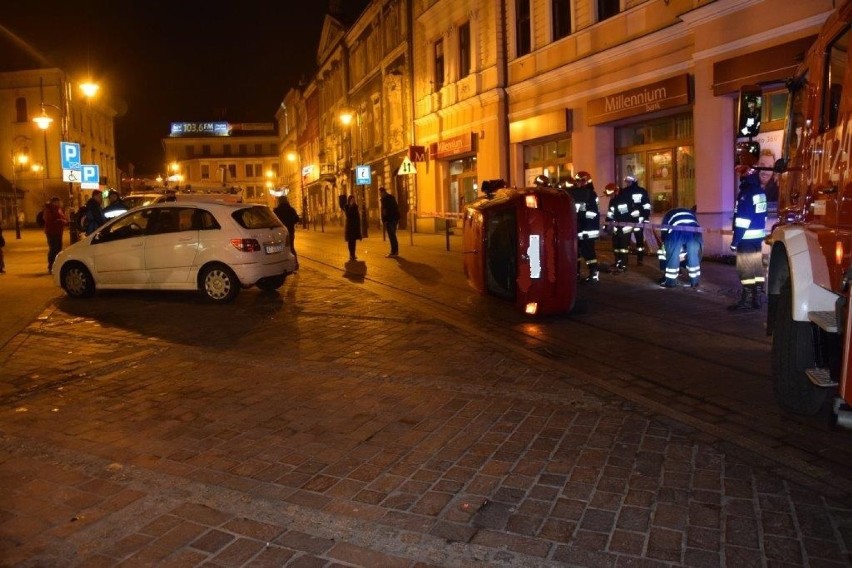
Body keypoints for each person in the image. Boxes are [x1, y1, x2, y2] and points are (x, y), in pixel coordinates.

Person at [729, 165, 768, 310]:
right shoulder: (760, 192)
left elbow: (742, 221)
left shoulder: (745, 194)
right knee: (756, 268)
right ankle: (756, 298)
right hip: (757, 239)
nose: (740, 178)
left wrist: (735, 241)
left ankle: (746, 300)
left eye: (741, 175)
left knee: (745, 269)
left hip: (745, 238)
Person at [658, 207, 702, 288]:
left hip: (676, 232)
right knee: (693, 256)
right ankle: (695, 282)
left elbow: (664, 229)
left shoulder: (668, 214)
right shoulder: (690, 213)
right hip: (694, 233)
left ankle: (670, 282)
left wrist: (664, 242)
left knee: (673, 256)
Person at [568, 171, 600, 282]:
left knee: (588, 252)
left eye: (581, 180)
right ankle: (575, 273)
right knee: (576, 252)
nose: (579, 183)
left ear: (587, 181)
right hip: (578, 227)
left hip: (588, 229)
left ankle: (594, 274)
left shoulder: (591, 194)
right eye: (577, 181)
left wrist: (581, 218)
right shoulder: (575, 194)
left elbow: (592, 213)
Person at [621, 175, 651, 265]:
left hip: (639, 220)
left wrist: (645, 217)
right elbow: (622, 205)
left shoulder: (642, 191)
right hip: (628, 220)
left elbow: (646, 205)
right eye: (626, 182)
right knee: (626, 240)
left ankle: (640, 259)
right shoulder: (624, 191)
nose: (627, 183)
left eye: (629, 181)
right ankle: (624, 260)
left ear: (634, 181)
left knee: (639, 240)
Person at [605, 182, 633, 273]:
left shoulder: (624, 199)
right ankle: (617, 262)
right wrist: (607, 224)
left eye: (611, 194)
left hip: (624, 228)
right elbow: (610, 214)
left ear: (616, 192)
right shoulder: (613, 200)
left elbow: (624, 216)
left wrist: (619, 227)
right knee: (616, 247)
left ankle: (623, 265)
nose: (610, 196)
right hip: (617, 228)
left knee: (623, 248)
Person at [273, 195, 301, 269]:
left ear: (279, 201)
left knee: (280, 248)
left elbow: (273, 220)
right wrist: (290, 222)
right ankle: (295, 263)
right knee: (291, 247)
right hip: (290, 231)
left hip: (279, 232)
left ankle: (282, 264)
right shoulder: (291, 209)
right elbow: (297, 219)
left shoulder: (276, 210)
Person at [43, 196, 68, 274]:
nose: (60, 203)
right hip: (52, 232)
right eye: (58, 202)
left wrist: (64, 220)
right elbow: (49, 220)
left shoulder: (57, 209)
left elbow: (63, 218)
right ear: (54, 202)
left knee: (58, 249)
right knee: (54, 249)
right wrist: (62, 221)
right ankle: (51, 266)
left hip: (58, 232)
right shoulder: (49, 209)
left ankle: (56, 266)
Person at [379, 187, 400, 257]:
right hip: (392, 219)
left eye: (380, 193)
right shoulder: (389, 198)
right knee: (392, 235)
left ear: (383, 192)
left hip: (391, 220)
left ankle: (394, 252)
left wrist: (385, 220)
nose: (379, 195)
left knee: (392, 235)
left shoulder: (387, 199)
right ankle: (394, 251)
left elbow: (385, 211)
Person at [340, 194, 362, 261]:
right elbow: (348, 215)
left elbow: (357, 217)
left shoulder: (356, 206)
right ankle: (351, 254)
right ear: (349, 201)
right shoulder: (347, 207)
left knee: (354, 241)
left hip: (355, 226)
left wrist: (359, 227)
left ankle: (353, 254)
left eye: (354, 200)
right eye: (352, 200)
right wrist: (351, 206)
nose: (353, 201)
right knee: (350, 241)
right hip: (349, 227)